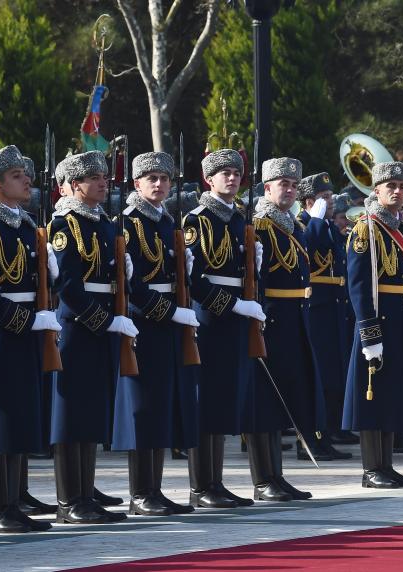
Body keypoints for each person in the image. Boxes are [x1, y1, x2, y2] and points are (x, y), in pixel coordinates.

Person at [0, 145, 61, 533]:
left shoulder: (24, 225)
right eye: (17, 176)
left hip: (29, 326)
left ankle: (12, 500)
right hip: (2, 329)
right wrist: (23, 319)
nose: (27, 180)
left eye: (25, 173)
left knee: (22, 410)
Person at [113, 151, 201, 515]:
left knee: (162, 406)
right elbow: (130, 283)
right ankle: (140, 492)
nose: (160, 184)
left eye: (165, 178)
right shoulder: (128, 222)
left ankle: (156, 488)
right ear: (137, 184)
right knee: (143, 409)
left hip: (168, 320)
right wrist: (169, 311)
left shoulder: (166, 221)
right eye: (152, 178)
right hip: (144, 322)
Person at [48, 152, 135, 524]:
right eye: (93, 177)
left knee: (92, 409)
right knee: (71, 414)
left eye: (104, 176)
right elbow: (68, 285)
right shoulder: (65, 224)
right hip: (77, 326)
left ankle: (87, 491)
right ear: (74, 185)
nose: (103, 182)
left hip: (102, 324)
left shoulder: (104, 223)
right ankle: (70, 499)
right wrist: (103, 321)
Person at [183, 149, 263, 507]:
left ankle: (215, 481)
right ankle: (201, 486)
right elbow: (193, 279)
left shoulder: (238, 219)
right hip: (211, 318)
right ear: (208, 179)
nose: (232, 178)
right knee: (207, 401)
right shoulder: (197, 220)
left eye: (236, 172)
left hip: (236, 318)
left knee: (226, 398)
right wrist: (231, 304)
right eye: (224, 173)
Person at [249, 157, 325, 500]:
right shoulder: (261, 224)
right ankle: (263, 477)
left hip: (294, 317)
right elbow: (256, 277)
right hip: (272, 317)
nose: (290, 189)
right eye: (283, 184)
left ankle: (276, 475)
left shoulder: (290, 223)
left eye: (294, 185)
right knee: (265, 399)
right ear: (267, 188)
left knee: (285, 398)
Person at [344, 161, 403, 489]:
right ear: (375, 190)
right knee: (371, 395)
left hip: (400, 317)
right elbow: (359, 284)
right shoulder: (367, 228)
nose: (397, 191)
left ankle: (387, 465)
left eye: (402, 186)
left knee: (392, 394)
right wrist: (369, 333)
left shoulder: (402, 228)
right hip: (378, 320)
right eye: (390, 186)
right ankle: (371, 468)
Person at [297, 172, 353, 459]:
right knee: (317, 376)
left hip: (334, 308)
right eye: (326, 197)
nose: (331, 202)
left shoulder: (328, 226)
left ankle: (327, 433)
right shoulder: (304, 225)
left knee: (333, 375)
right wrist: (315, 220)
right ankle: (310, 439)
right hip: (315, 310)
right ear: (310, 200)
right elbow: (308, 248)